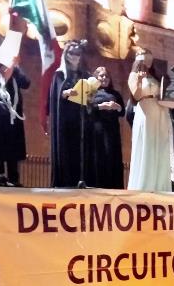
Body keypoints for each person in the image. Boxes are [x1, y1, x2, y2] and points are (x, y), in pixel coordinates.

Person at [127, 49, 173, 192]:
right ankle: (144, 185)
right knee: (147, 145)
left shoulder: (155, 76)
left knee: (159, 145)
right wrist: (140, 81)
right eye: (145, 59)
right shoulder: (134, 75)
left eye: (150, 59)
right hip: (145, 112)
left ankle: (159, 185)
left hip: (160, 112)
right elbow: (136, 96)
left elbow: (163, 93)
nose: (148, 62)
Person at [48, 40, 91, 187]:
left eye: (77, 53)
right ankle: (65, 182)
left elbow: (90, 96)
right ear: (66, 55)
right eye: (71, 53)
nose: (75, 56)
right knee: (66, 150)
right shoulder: (60, 75)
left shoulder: (84, 75)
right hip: (65, 119)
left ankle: (81, 179)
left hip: (80, 119)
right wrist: (66, 93)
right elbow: (56, 96)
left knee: (80, 149)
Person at [0, 55, 29, 185]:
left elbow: (26, 83)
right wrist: (10, 67)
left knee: (14, 147)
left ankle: (14, 178)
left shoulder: (15, 70)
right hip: (0, 113)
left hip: (14, 115)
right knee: (0, 145)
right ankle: (0, 176)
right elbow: (1, 82)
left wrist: (16, 67)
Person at [91, 66, 125, 189]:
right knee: (99, 157)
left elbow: (123, 112)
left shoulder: (115, 94)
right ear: (96, 78)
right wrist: (101, 106)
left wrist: (117, 107)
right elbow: (87, 109)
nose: (104, 78)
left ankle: (114, 187)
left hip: (112, 131)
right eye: (101, 76)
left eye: (107, 76)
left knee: (112, 156)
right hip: (97, 131)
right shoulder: (92, 93)